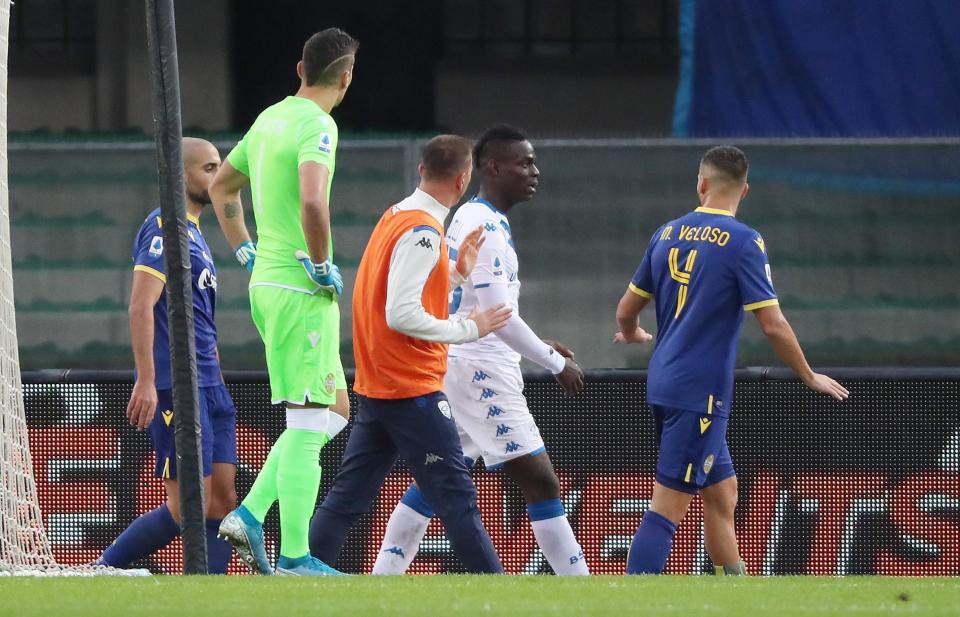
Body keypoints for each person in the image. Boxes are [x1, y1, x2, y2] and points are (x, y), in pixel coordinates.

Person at [614, 145, 849, 575]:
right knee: (667, 508)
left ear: (701, 184)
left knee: (723, 492)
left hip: (664, 382)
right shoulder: (744, 242)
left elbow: (625, 310)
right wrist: (808, 374)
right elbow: (773, 324)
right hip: (700, 393)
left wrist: (634, 335)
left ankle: (737, 592)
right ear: (745, 191)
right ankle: (630, 599)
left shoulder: (666, 233)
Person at [372, 124, 589, 576]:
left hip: (466, 361)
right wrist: (554, 363)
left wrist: (537, 342)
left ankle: (383, 578)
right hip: (481, 372)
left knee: (436, 481)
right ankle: (581, 588)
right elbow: (497, 315)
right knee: (542, 480)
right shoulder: (485, 225)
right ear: (492, 167)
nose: (535, 171)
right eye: (524, 162)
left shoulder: (476, 217)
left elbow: (488, 308)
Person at [308, 135, 512, 573]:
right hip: (411, 386)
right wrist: (469, 328)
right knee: (456, 496)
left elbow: (403, 294)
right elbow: (401, 313)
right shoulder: (423, 231)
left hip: (381, 385)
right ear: (463, 179)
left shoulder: (397, 215)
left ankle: (299, 574)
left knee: (348, 496)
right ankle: (498, 590)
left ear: (421, 169)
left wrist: (457, 275)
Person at [209, 27, 358, 576]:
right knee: (308, 420)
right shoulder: (319, 125)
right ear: (345, 78)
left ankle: (250, 512)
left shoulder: (269, 117)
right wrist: (320, 264)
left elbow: (223, 188)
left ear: (300, 69)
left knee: (335, 411)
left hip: (267, 284)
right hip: (301, 288)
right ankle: (296, 556)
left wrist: (244, 248)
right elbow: (315, 203)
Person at [97, 138, 237, 573]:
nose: (219, 177)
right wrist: (145, 378)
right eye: (209, 168)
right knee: (185, 508)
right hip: (179, 382)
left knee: (223, 500)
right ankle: (105, 570)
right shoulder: (163, 226)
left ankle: (210, 596)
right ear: (181, 175)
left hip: (210, 383)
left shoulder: (195, 232)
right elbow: (141, 304)